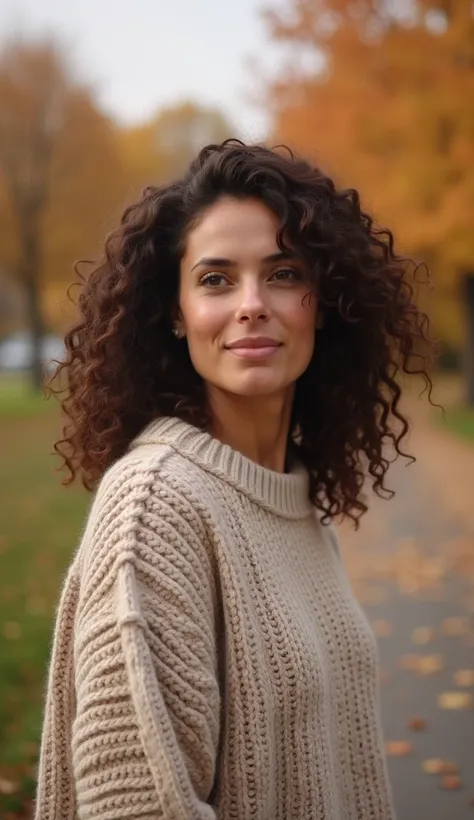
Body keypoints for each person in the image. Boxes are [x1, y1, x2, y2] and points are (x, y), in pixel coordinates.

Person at [35, 140, 433, 820]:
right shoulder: (157, 504)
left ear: (324, 301)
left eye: (282, 273)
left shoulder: (291, 492)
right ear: (175, 312)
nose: (252, 304)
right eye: (216, 280)